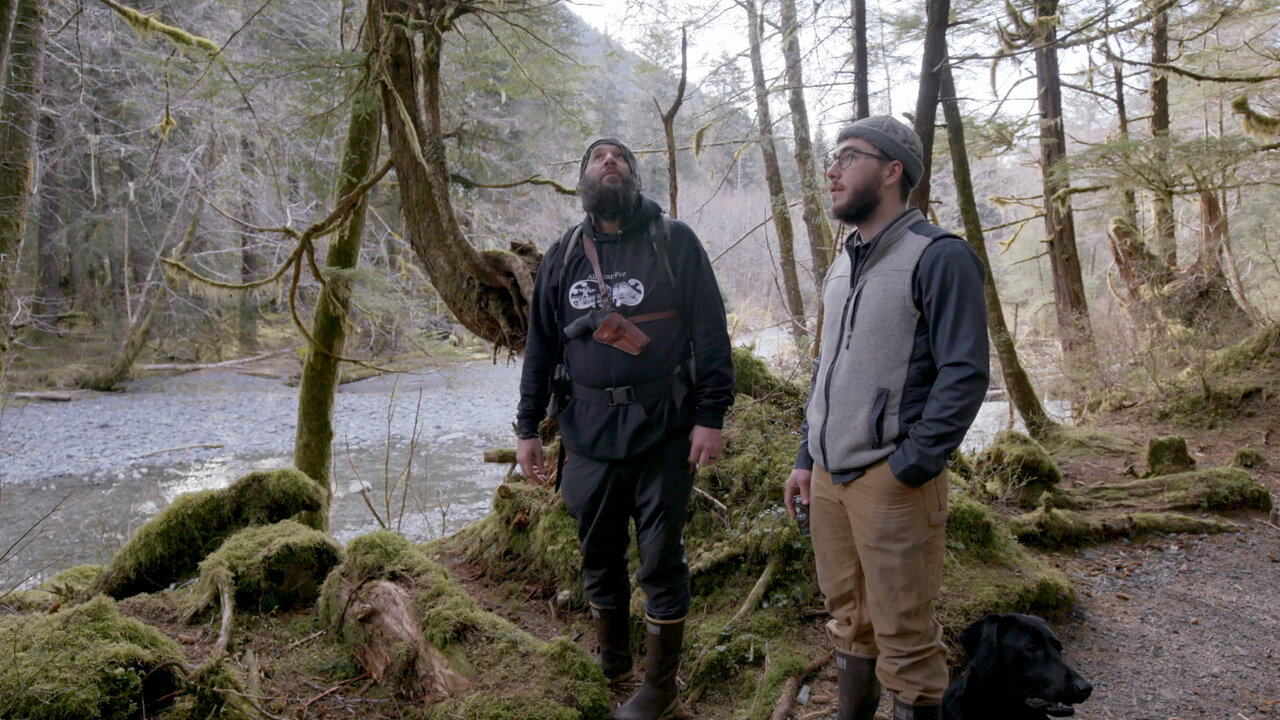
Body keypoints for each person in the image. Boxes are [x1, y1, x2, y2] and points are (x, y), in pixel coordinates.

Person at [516, 138, 735, 720]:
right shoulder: (563, 254)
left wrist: (710, 416)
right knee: (598, 553)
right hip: (586, 435)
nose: (608, 162)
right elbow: (540, 346)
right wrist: (527, 426)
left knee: (661, 559)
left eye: (619, 158)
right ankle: (612, 660)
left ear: (635, 176)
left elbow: (711, 334)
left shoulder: (674, 241)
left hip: (664, 431)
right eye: (597, 158)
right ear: (584, 180)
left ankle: (660, 687)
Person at [784, 116, 989, 720]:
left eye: (849, 156)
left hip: (892, 481)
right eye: (833, 157)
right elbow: (826, 369)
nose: (832, 170)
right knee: (848, 617)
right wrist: (806, 458)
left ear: (893, 170)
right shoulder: (842, 262)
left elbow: (965, 373)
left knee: (905, 634)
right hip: (829, 478)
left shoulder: (939, 256)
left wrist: (911, 465)